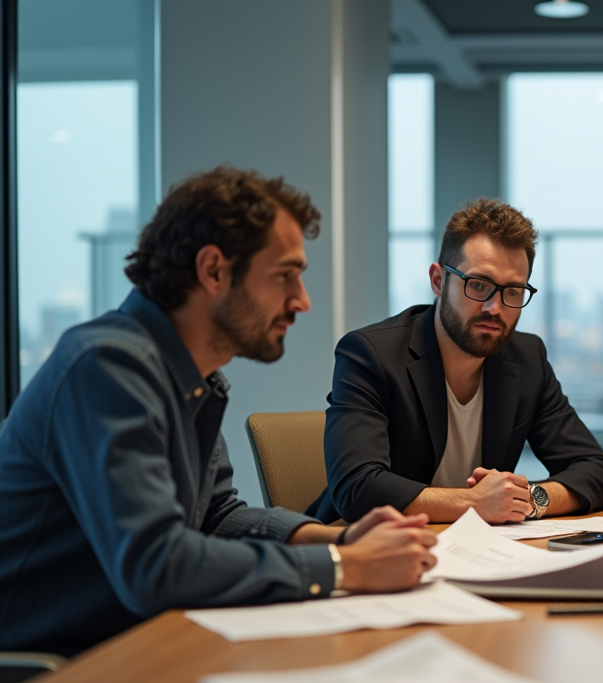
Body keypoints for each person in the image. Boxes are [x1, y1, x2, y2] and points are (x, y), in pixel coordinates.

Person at [0, 167, 437, 657]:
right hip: (45, 670)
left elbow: (216, 515)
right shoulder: (107, 366)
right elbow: (155, 566)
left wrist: (340, 540)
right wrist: (344, 567)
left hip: (130, 643)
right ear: (213, 270)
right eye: (285, 275)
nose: (302, 301)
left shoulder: (190, 376)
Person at [308, 198, 603, 525]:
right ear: (438, 281)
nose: (495, 308)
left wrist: (529, 499)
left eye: (513, 291)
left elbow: (597, 471)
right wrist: (474, 502)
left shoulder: (527, 358)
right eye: (479, 285)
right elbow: (357, 488)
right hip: (366, 542)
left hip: (478, 547)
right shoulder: (371, 354)